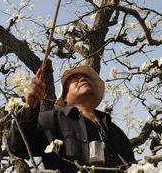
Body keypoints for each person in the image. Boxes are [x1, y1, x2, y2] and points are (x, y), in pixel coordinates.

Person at [7, 65, 135, 172]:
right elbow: (18, 148)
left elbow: (131, 165)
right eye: (74, 79)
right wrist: (29, 107)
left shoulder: (116, 131)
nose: (82, 79)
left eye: (86, 78)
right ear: (65, 98)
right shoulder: (50, 120)